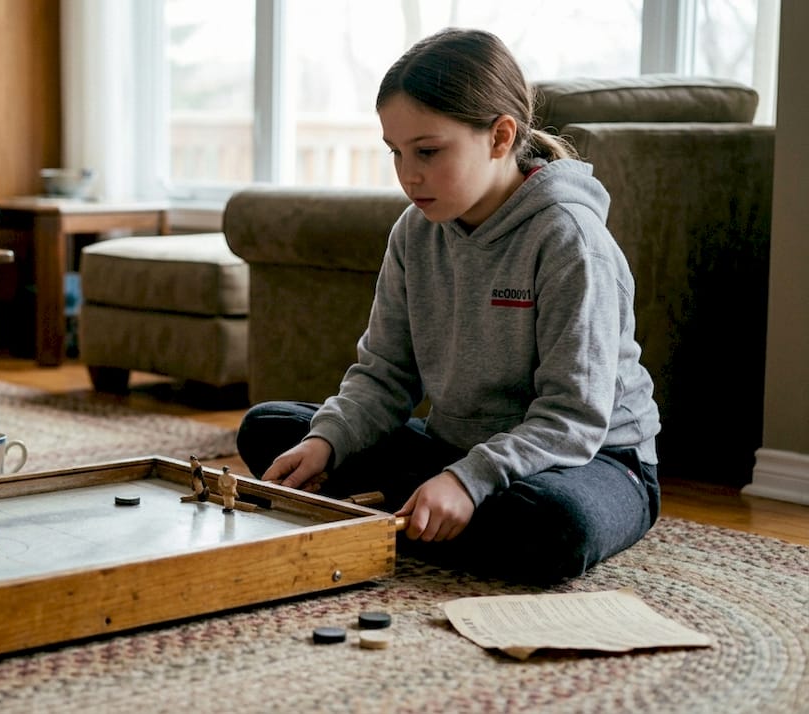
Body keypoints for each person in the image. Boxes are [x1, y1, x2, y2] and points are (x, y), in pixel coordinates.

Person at [238, 28, 661, 585]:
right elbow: (385, 374)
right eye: (396, 152)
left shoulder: (568, 238)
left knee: (554, 527)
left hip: (590, 461)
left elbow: (573, 418)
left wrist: (469, 480)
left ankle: (408, 515)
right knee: (272, 430)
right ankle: (431, 517)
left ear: (500, 137)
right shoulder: (414, 232)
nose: (408, 175)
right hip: (455, 448)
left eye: (429, 152)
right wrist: (327, 441)